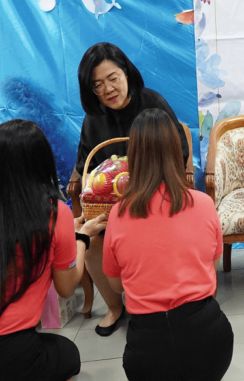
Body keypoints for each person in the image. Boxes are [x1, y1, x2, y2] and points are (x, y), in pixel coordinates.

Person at [0, 120, 106, 380]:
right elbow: (66, 286)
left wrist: (66, 233)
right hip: (1, 357)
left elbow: (16, 234)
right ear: (42, 160)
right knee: (68, 354)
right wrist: (81, 238)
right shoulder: (55, 214)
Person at [103, 109, 233, 380]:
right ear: (177, 150)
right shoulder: (204, 204)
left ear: (134, 155)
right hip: (210, 342)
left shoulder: (118, 213)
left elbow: (116, 285)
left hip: (148, 352)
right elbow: (212, 267)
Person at [73, 42, 190, 336]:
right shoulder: (93, 119)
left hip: (155, 202)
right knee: (92, 244)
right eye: (98, 85)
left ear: (126, 71)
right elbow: (85, 164)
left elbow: (180, 152)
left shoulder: (153, 104)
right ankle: (115, 306)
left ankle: (155, 302)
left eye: (112, 78)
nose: (108, 89)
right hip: (110, 210)